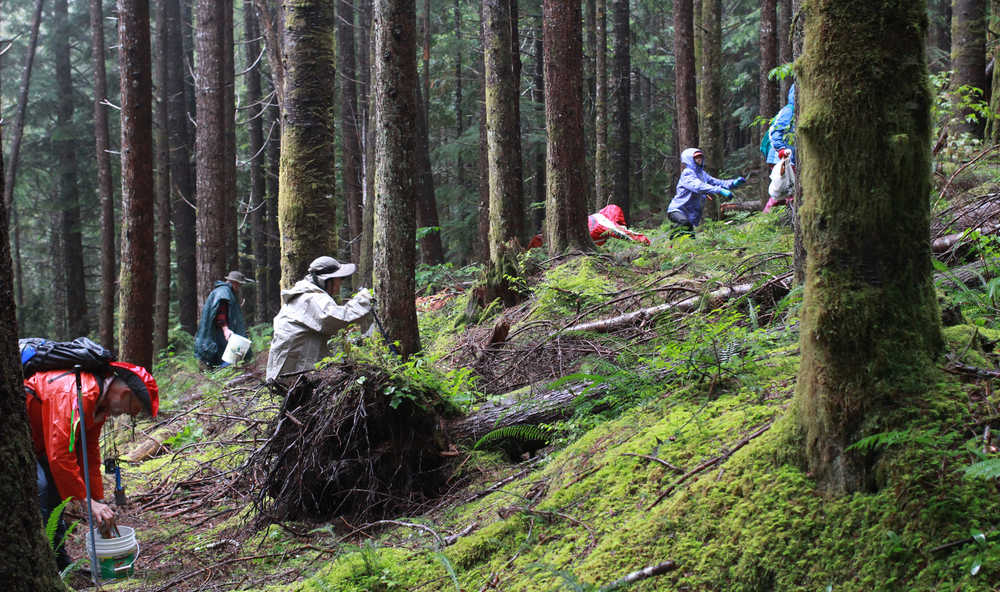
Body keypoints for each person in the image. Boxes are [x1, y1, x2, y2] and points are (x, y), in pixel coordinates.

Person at [25, 362, 158, 570]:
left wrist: (97, 499)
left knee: (55, 493)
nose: (127, 415)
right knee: (39, 487)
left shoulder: (98, 405)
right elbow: (60, 455)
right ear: (125, 393)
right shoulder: (79, 393)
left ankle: (58, 561)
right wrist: (87, 501)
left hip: (38, 446)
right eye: (132, 410)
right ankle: (37, 564)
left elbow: (89, 454)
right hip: (21, 443)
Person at [266, 256, 373, 381]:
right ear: (326, 280)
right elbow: (337, 319)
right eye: (339, 279)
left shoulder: (304, 295)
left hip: (286, 372)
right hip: (292, 376)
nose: (340, 284)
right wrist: (364, 300)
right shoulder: (311, 299)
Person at [667, 148, 745, 233]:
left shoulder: (702, 174)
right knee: (685, 223)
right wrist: (719, 190)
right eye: (696, 158)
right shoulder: (687, 173)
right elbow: (698, 187)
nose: (699, 159)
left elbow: (716, 182)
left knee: (689, 234)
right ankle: (671, 239)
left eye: (700, 157)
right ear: (689, 160)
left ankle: (672, 244)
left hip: (690, 214)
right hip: (677, 210)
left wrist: (733, 183)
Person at [194, 270, 253, 367]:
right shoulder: (224, 292)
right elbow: (220, 312)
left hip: (219, 331)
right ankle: (222, 376)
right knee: (224, 357)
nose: (239, 288)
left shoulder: (223, 291)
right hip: (220, 331)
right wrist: (225, 329)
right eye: (239, 285)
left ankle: (221, 374)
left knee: (222, 356)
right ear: (234, 282)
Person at [764, 84, 796, 213]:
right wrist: (781, 149)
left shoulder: (794, 110)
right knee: (782, 187)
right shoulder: (789, 110)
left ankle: (775, 218)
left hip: (788, 156)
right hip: (781, 156)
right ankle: (765, 219)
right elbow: (776, 131)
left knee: (789, 188)